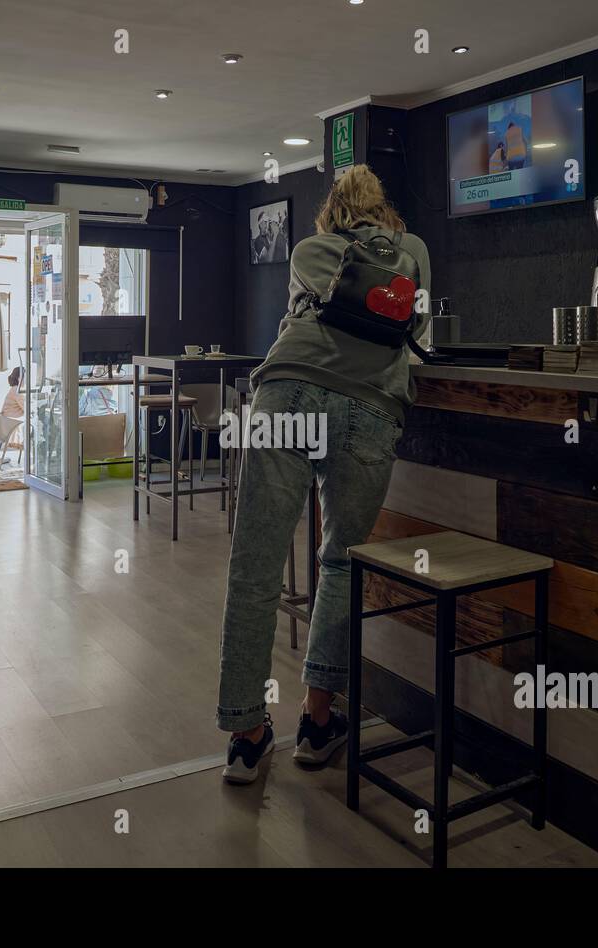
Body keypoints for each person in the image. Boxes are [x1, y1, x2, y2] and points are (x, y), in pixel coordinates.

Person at [218, 164, 430, 783]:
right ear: (383, 207)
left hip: (284, 397)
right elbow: (414, 327)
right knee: (339, 560)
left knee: (255, 563)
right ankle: (317, 720)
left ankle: (247, 734)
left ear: (332, 209)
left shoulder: (308, 250)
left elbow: (308, 320)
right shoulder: (411, 249)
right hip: (369, 403)